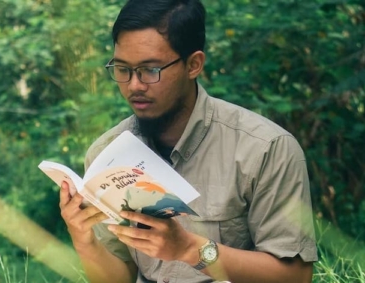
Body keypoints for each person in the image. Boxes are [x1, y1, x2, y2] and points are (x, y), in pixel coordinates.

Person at [57, 0, 317, 282]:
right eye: (122, 69)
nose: (134, 85)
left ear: (193, 65)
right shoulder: (106, 155)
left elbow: (296, 277)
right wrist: (83, 239)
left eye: (150, 70)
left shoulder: (265, 148)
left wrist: (191, 250)